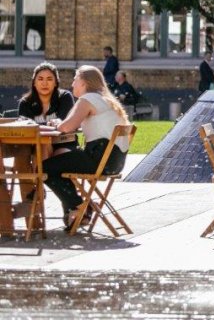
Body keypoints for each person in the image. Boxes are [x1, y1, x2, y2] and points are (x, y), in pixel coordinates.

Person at [43, 66, 132, 231]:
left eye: (75, 79)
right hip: (113, 162)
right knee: (62, 156)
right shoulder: (104, 99)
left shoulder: (88, 99)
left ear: (84, 82)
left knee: (45, 168)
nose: (72, 84)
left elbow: (66, 127)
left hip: (98, 161)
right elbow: (69, 125)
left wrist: (58, 124)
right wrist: (62, 124)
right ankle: (79, 208)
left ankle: (81, 206)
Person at [10, 63, 76, 221]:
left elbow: (68, 125)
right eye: (40, 79)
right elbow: (23, 128)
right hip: (35, 149)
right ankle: (71, 208)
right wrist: (49, 126)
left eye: (49, 79)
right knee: (42, 145)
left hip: (63, 144)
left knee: (60, 158)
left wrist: (40, 126)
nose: (44, 83)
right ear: (34, 82)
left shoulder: (65, 98)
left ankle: (40, 185)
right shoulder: (25, 103)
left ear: (56, 82)